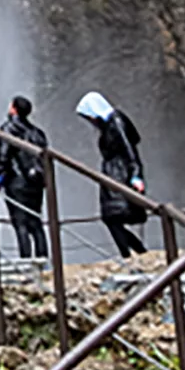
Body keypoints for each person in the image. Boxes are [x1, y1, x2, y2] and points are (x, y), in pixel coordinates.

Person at [76, 91, 149, 257]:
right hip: (114, 174)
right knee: (111, 217)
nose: (90, 121)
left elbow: (130, 150)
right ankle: (136, 252)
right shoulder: (109, 124)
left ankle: (131, 254)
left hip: (120, 175)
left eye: (89, 116)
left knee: (112, 217)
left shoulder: (116, 122)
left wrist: (136, 175)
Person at [0, 95, 49, 258]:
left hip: (17, 182)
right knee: (36, 223)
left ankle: (26, 262)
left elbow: (3, 156)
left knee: (21, 224)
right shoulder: (37, 133)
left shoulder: (9, 128)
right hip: (36, 183)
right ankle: (43, 262)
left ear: (14, 109)